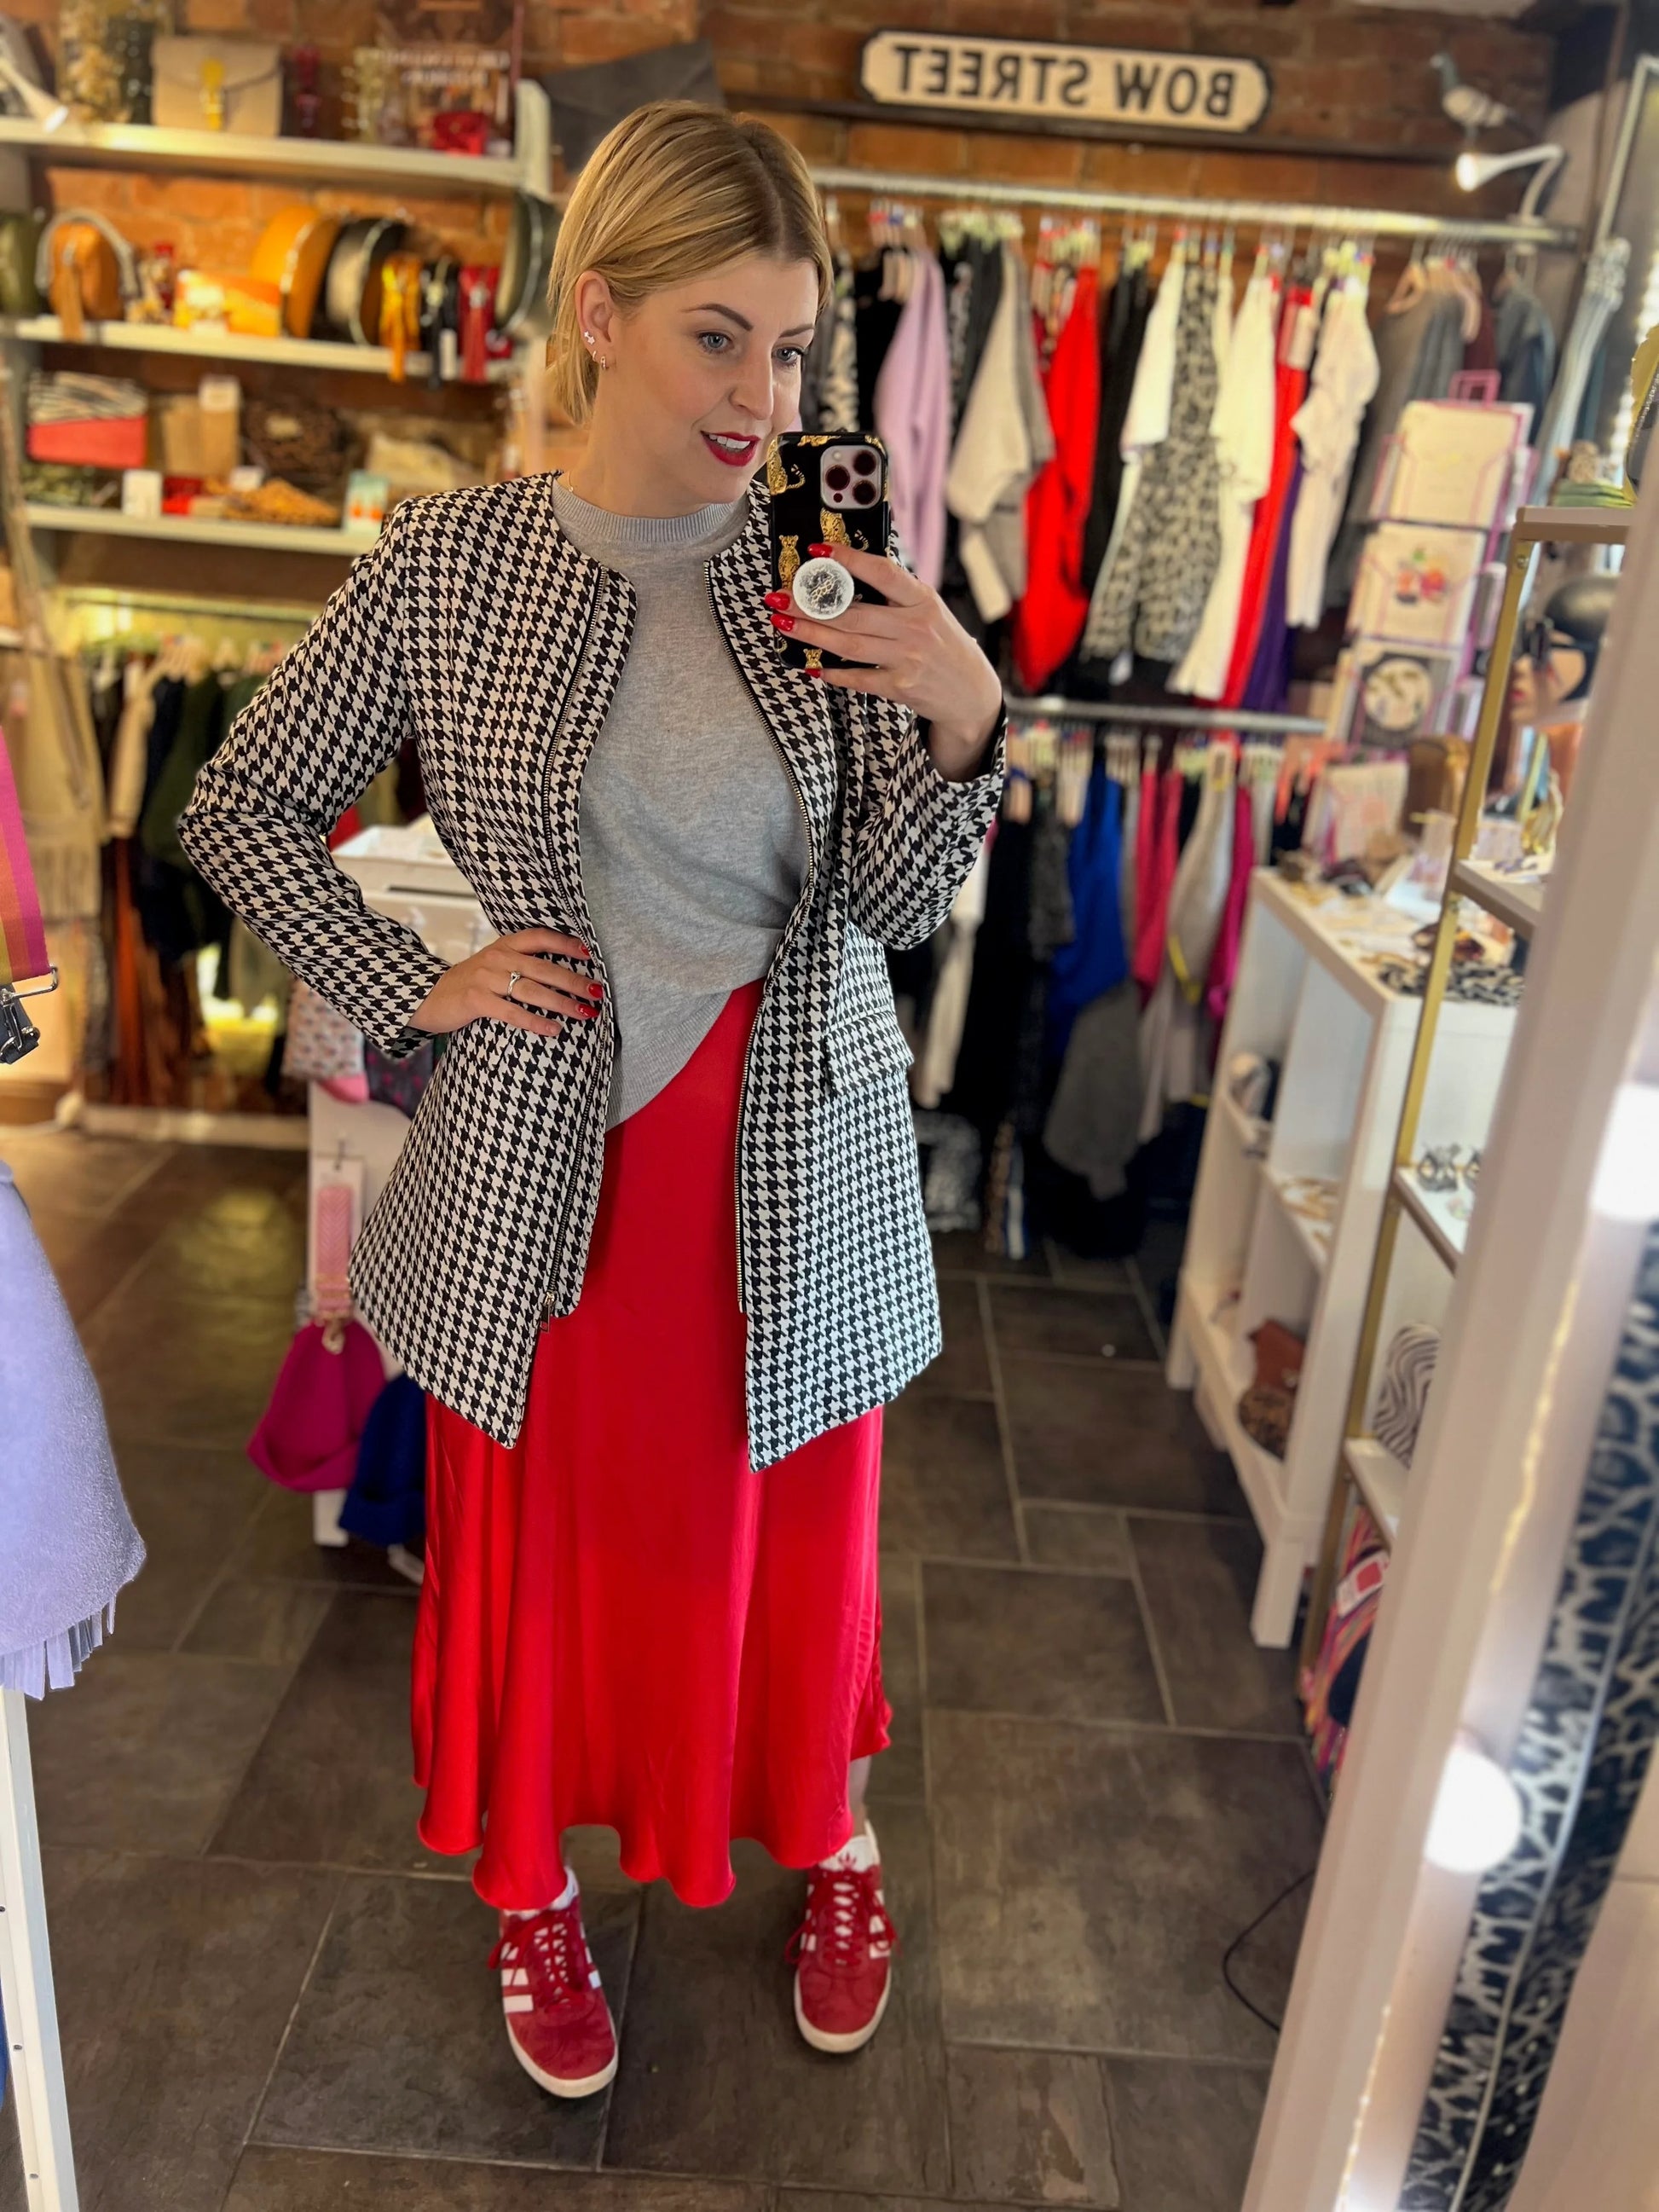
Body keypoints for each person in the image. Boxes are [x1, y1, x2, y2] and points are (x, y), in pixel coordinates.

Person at [178, 101, 1005, 2100]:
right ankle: (535, 1886)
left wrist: (964, 706)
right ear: (605, 312)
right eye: (718, 336)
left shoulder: (828, 558)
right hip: (554, 1161)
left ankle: (825, 1827)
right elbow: (244, 804)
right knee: (554, 1559)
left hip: (790, 1158)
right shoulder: (456, 563)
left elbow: (889, 901)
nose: (765, 393)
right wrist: (411, 975)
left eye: (797, 348)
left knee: (784, 1548)